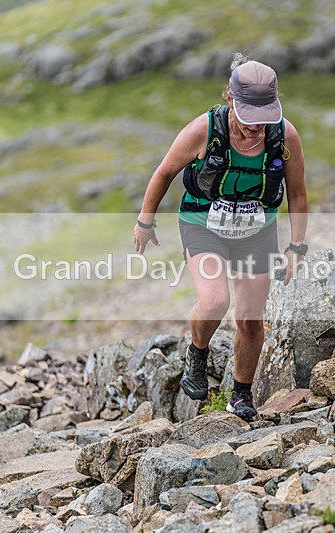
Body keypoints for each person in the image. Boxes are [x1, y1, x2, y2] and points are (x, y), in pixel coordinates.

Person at [133, 54, 308, 421]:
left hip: (256, 230)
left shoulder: (285, 135)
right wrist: (145, 221)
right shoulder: (203, 130)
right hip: (203, 223)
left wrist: (296, 247)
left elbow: (297, 194)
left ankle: (241, 396)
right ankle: (197, 352)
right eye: (248, 121)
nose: (255, 129)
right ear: (230, 99)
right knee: (214, 301)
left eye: (263, 121)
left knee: (250, 318)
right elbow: (164, 173)